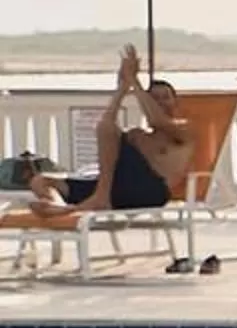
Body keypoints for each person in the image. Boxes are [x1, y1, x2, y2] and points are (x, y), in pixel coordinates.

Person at [27, 46, 195, 217]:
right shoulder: (137, 136)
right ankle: (60, 207)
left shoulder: (185, 131)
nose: (159, 102)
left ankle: (99, 198)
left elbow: (156, 120)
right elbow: (106, 125)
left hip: (149, 191)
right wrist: (122, 89)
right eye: (154, 98)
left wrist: (134, 80)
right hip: (116, 189)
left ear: (176, 102)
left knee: (109, 129)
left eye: (165, 97)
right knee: (41, 181)